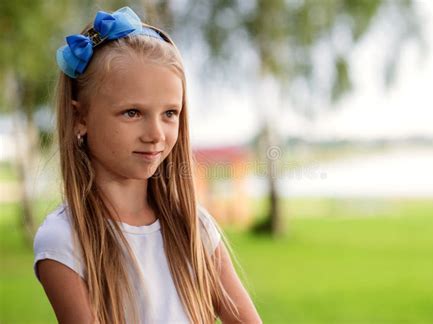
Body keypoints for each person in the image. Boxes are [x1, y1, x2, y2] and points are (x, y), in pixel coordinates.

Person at [32, 6, 262, 324]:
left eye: (169, 113)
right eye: (133, 113)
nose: (155, 134)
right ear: (80, 118)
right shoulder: (64, 240)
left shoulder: (193, 227)